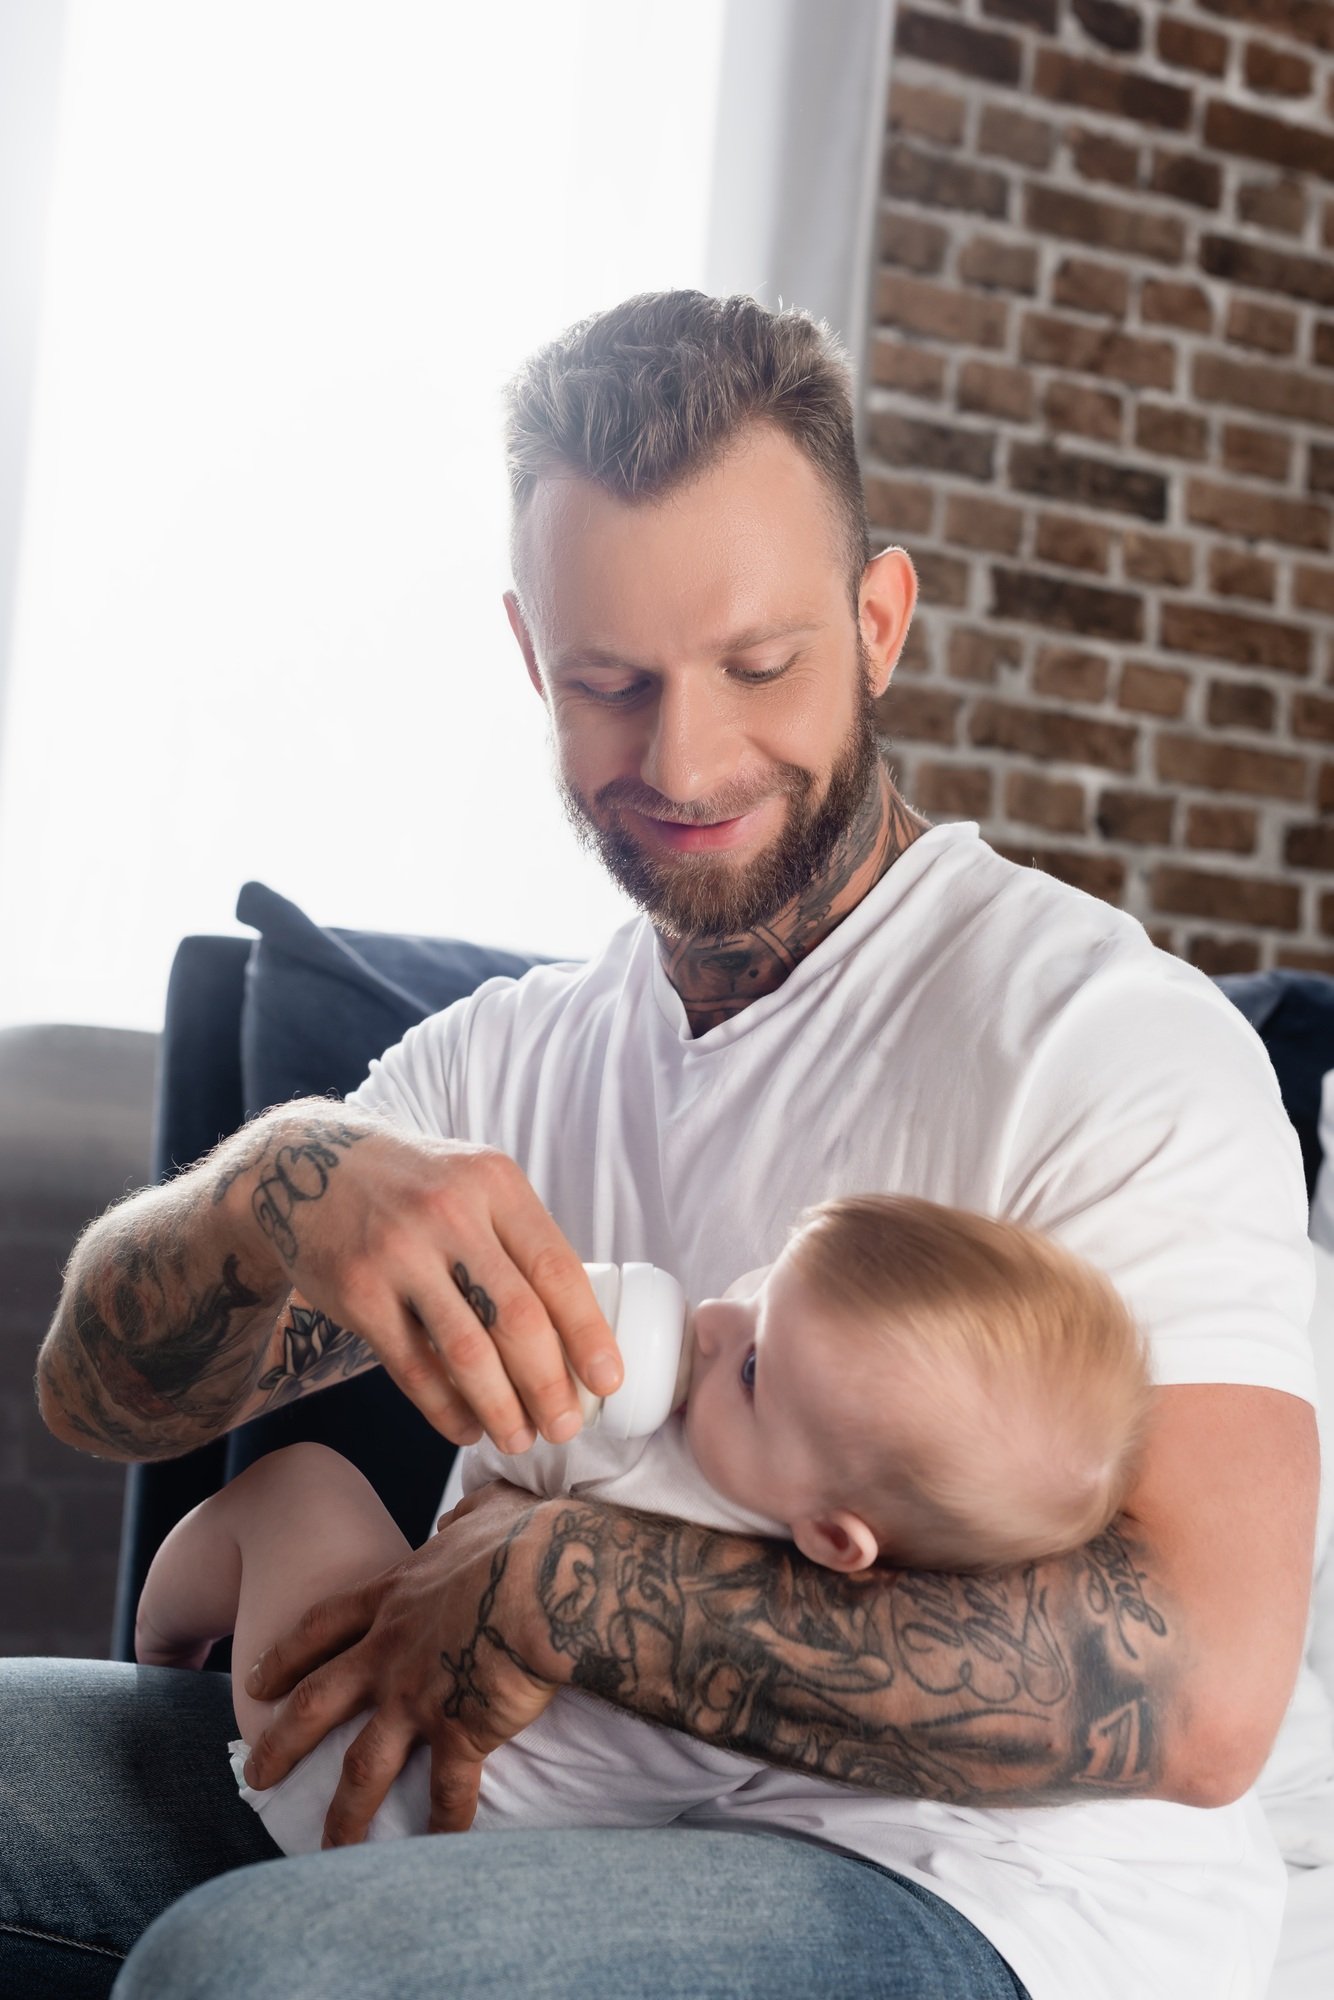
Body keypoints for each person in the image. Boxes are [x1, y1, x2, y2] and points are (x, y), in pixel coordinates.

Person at [8, 290, 1319, 2000]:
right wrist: (276, 1197)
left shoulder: (1101, 1041)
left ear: (876, 622)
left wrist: (577, 1584)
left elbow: (1205, 1694)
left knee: (266, 1972)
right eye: (608, 685)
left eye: (756, 668)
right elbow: (98, 1395)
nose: (682, 760)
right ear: (529, 658)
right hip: (504, 1812)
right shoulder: (500, 1061)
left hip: (975, 1896)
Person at [132, 1194, 1152, 1855]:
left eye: (751, 1366)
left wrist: (529, 1353)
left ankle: (162, 1644)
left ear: (837, 1534)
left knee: (303, 1484)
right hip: (497, 1857)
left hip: (345, 1769)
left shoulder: (634, 1455)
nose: (710, 1322)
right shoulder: (835, 1622)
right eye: (757, 1291)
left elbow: (489, 1474)